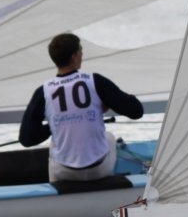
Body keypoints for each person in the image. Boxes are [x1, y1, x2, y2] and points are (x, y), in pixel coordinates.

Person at [19, 33, 144, 182]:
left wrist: (55, 124)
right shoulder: (95, 81)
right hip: (99, 170)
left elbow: (27, 139)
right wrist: (108, 102)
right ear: (74, 57)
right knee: (109, 137)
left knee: (54, 144)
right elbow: (136, 111)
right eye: (80, 50)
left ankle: (56, 189)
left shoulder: (43, 92)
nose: (82, 54)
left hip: (64, 173)